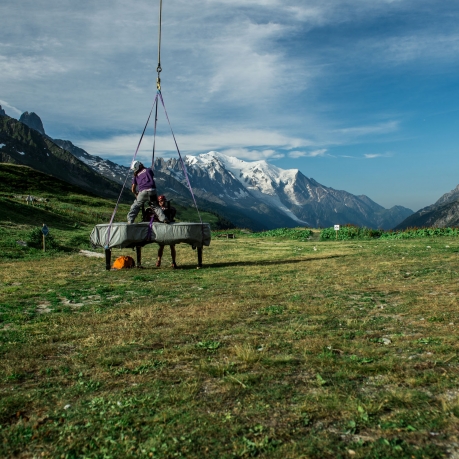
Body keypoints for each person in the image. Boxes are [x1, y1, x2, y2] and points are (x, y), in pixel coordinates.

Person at [145, 194, 178, 269]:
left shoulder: (170, 209)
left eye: (163, 201)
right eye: (160, 201)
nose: (161, 202)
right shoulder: (157, 210)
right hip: (161, 229)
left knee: (172, 246)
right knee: (161, 246)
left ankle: (173, 261)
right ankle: (159, 260)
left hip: (170, 228)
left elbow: (172, 214)